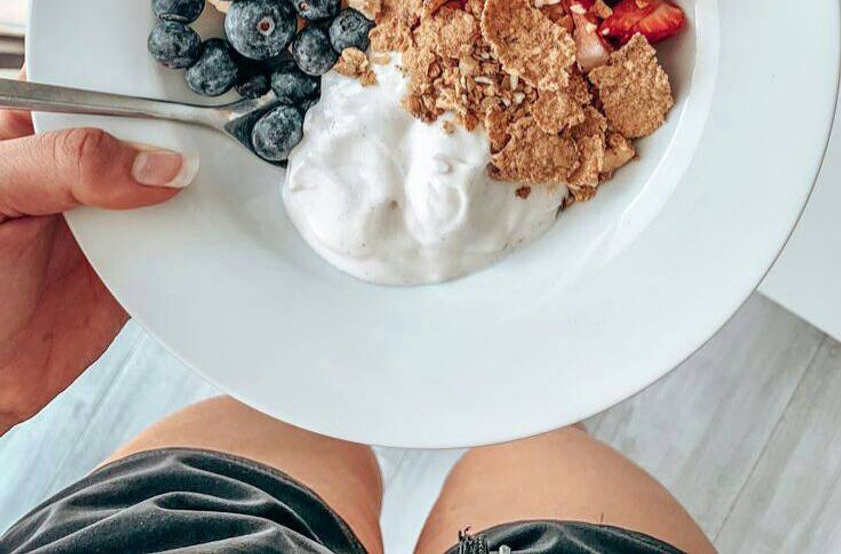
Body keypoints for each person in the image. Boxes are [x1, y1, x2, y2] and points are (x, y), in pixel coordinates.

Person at [0, 100, 716, 554]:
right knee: (538, 447)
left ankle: (522, 409)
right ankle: (534, 414)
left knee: (286, 422)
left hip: (169, 533)